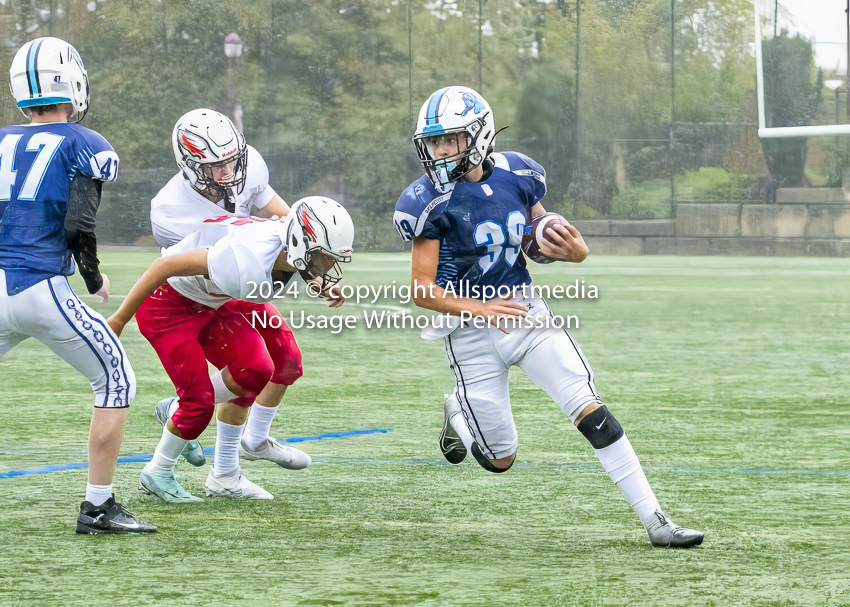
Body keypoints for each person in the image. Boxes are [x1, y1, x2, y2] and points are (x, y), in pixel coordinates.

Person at [393, 85, 703, 548]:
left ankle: (657, 521)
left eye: (449, 139)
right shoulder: (426, 201)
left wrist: (573, 252)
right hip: (468, 331)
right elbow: (422, 290)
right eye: (433, 142)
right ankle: (457, 410)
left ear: (477, 136)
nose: (438, 151)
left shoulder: (519, 173)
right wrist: (479, 307)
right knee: (499, 459)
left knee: (590, 408)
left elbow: (537, 234)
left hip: (524, 312)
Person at [0, 37, 155, 534]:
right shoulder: (84, 143)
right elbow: (78, 225)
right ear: (73, 82)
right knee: (117, 379)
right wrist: (93, 277)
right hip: (40, 286)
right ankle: (98, 506)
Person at [108, 198, 353, 501]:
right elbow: (164, 266)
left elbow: (290, 258)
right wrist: (119, 319)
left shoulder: (285, 244)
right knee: (198, 404)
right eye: (323, 257)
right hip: (168, 304)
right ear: (299, 243)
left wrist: (318, 280)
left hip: (212, 297)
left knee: (258, 368)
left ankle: (225, 473)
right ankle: (158, 471)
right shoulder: (244, 261)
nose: (329, 266)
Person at [148, 108, 307, 475]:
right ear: (189, 164)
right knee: (250, 370)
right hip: (207, 289)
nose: (228, 172)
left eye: (231, 161)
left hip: (241, 277)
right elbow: (212, 261)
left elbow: (282, 217)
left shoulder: (249, 166)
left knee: (287, 360)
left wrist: (309, 261)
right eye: (215, 166)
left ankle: (254, 440)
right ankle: (188, 416)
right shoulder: (170, 209)